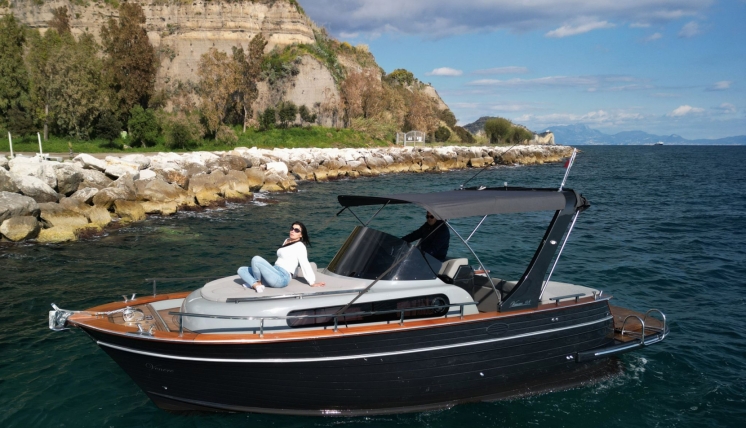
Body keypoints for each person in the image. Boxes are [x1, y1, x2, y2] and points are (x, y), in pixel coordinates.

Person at [237, 221, 325, 292]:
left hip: (282, 277)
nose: (292, 231)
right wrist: (294, 273)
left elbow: (304, 263)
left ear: (301, 235)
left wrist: (312, 282)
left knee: (256, 259)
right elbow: (286, 260)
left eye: (296, 230)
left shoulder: (300, 246)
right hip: (274, 271)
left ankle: (256, 282)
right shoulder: (287, 240)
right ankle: (256, 285)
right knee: (241, 270)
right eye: (292, 228)